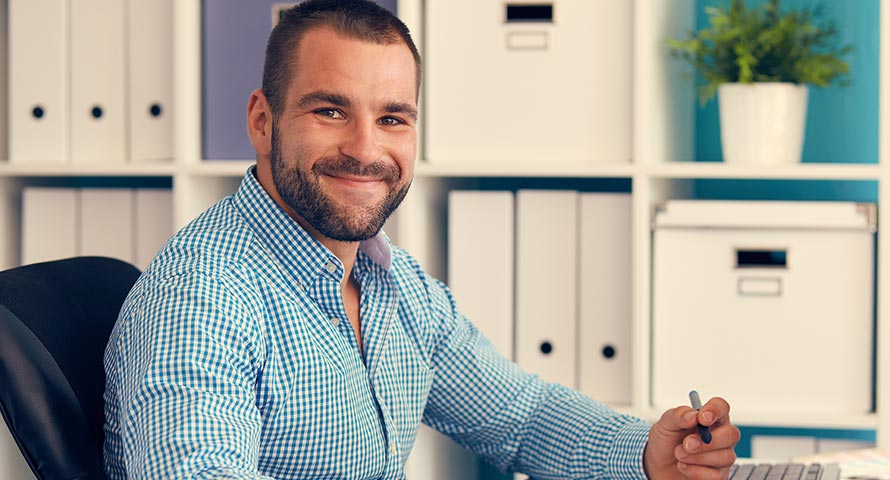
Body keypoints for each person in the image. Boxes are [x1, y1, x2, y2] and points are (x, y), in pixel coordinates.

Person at [102, 1, 740, 478]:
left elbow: (522, 419)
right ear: (262, 121)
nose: (365, 149)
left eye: (391, 119)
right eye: (330, 111)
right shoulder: (201, 297)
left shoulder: (393, 282)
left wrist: (651, 454)